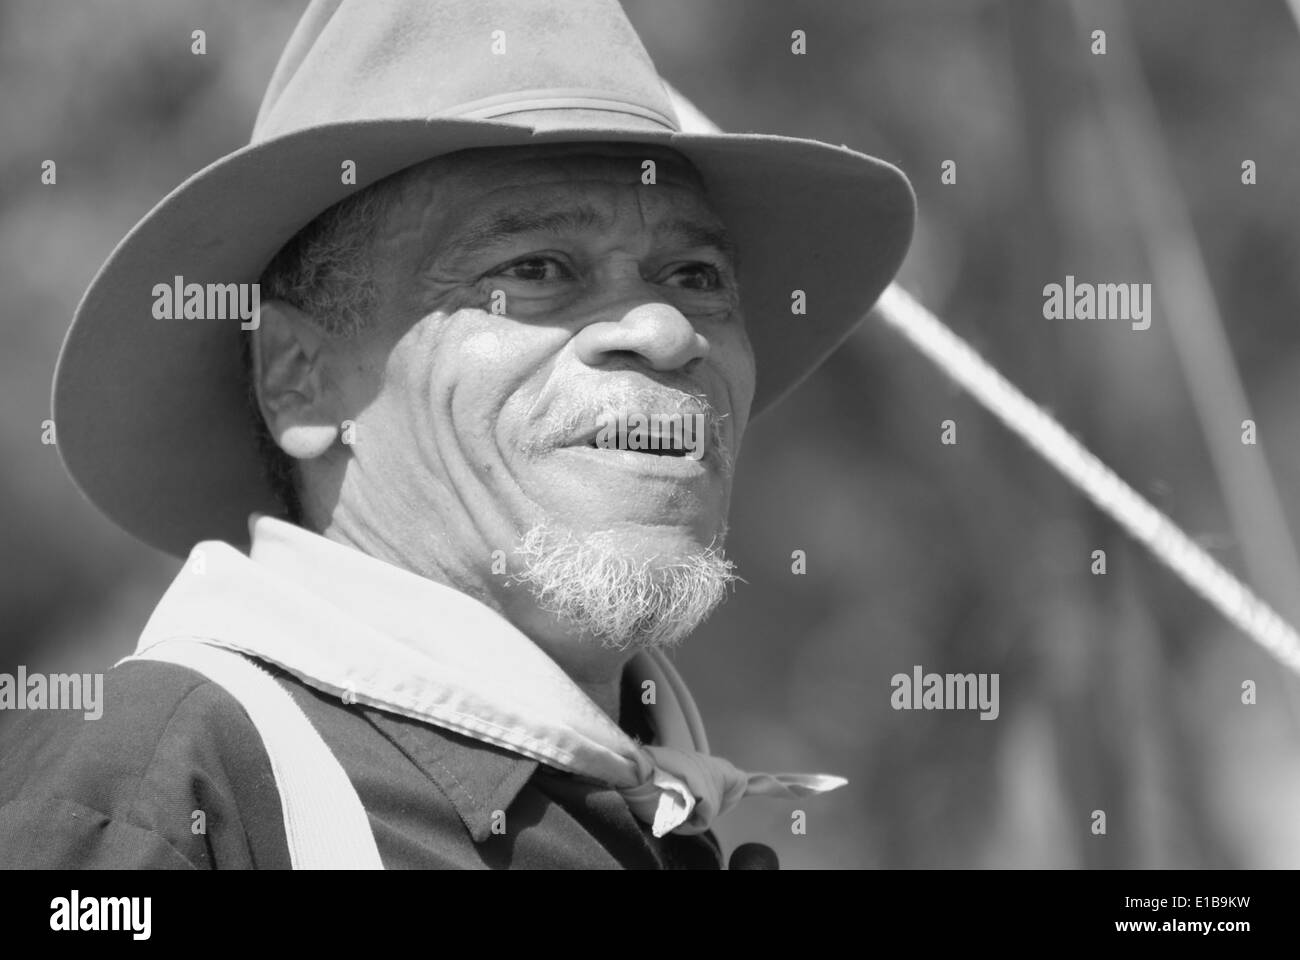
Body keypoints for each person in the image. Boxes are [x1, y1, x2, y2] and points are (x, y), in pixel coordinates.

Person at [0, 0, 914, 869]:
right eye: (535, 267)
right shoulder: (162, 789)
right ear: (298, 380)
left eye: (696, 274)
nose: (669, 333)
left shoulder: (648, 810)